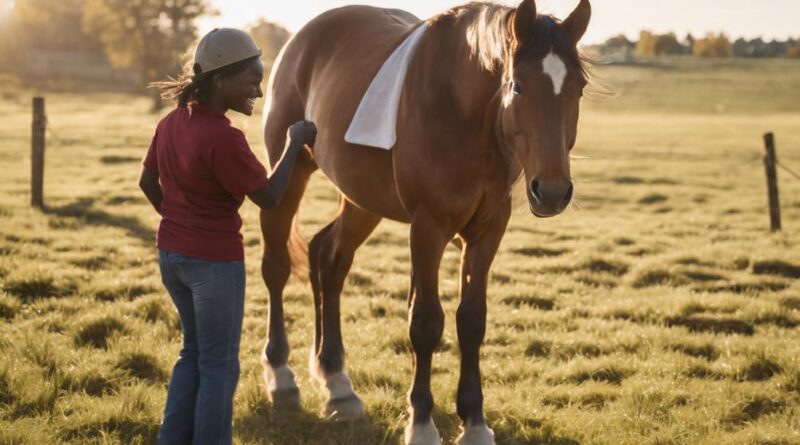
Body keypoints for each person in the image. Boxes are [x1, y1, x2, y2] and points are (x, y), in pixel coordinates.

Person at [138, 28, 316, 445]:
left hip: (173, 257)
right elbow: (270, 197)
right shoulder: (224, 137)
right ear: (218, 80)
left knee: (193, 353)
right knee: (219, 366)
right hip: (214, 265)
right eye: (251, 79)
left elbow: (147, 182)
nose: (258, 88)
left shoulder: (170, 124)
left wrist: (180, 222)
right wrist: (294, 144)